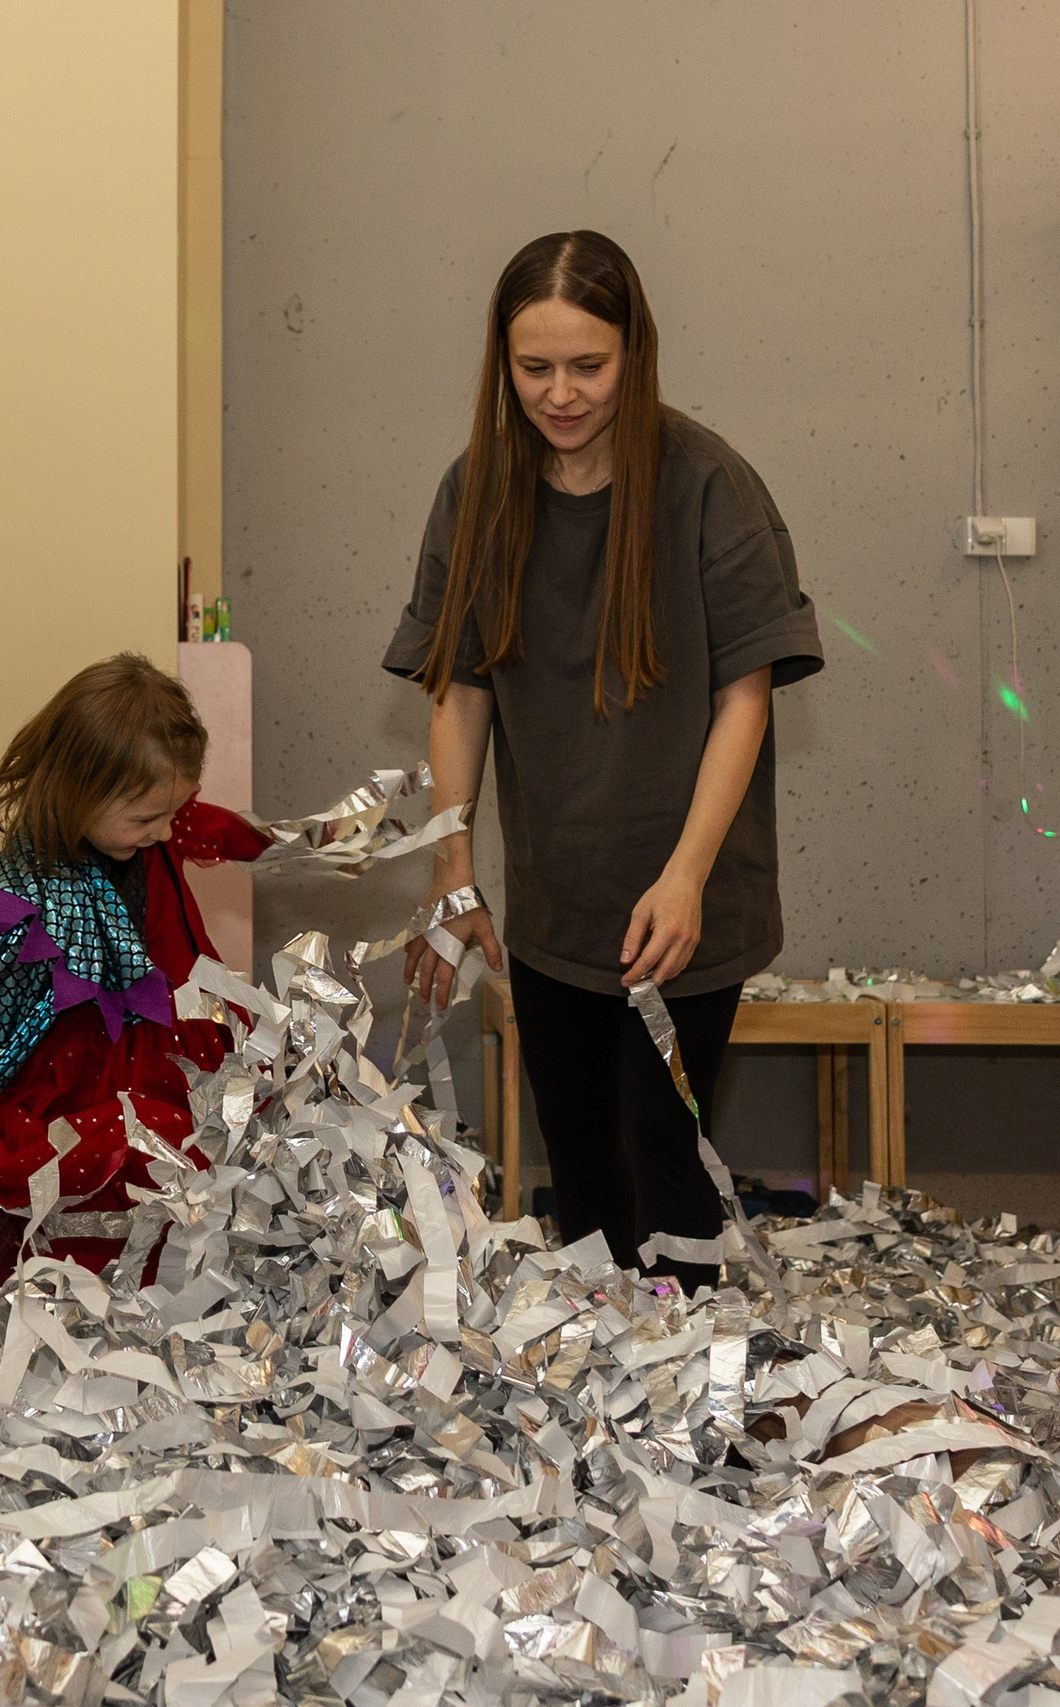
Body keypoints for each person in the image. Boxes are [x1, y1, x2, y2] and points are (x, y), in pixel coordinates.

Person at [384, 229, 821, 1294]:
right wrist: (453, 875)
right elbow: (459, 689)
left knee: (659, 1158)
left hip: (681, 905)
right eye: (535, 369)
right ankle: (597, 1404)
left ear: (636, 354)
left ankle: (689, 1402)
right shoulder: (477, 490)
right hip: (555, 901)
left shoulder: (708, 483)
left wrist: (686, 877)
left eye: (589, 366)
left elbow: (745, 694)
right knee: (579, 1169)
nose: (562, 393)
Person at [0, 654, 271, 1313]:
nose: (166, 832)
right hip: (70, 1139)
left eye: (173, 811)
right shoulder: (26, 910)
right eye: (146, 819)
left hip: (149, 1091)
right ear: (82, 793)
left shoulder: (142, 836)